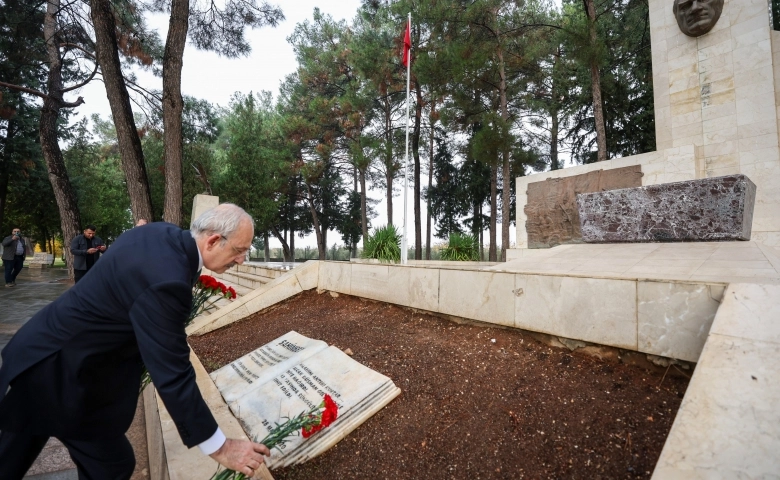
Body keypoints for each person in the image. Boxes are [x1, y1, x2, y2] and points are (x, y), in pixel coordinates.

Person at [0, 204, 269, 479]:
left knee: (11, 457)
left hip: (48, 356)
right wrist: (220, 447)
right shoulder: (167, 280)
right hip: (59, 372)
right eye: (239, 250)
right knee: (110, 466)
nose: (241, 261)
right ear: (213, 240)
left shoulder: (161, 233)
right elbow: (172, 371)